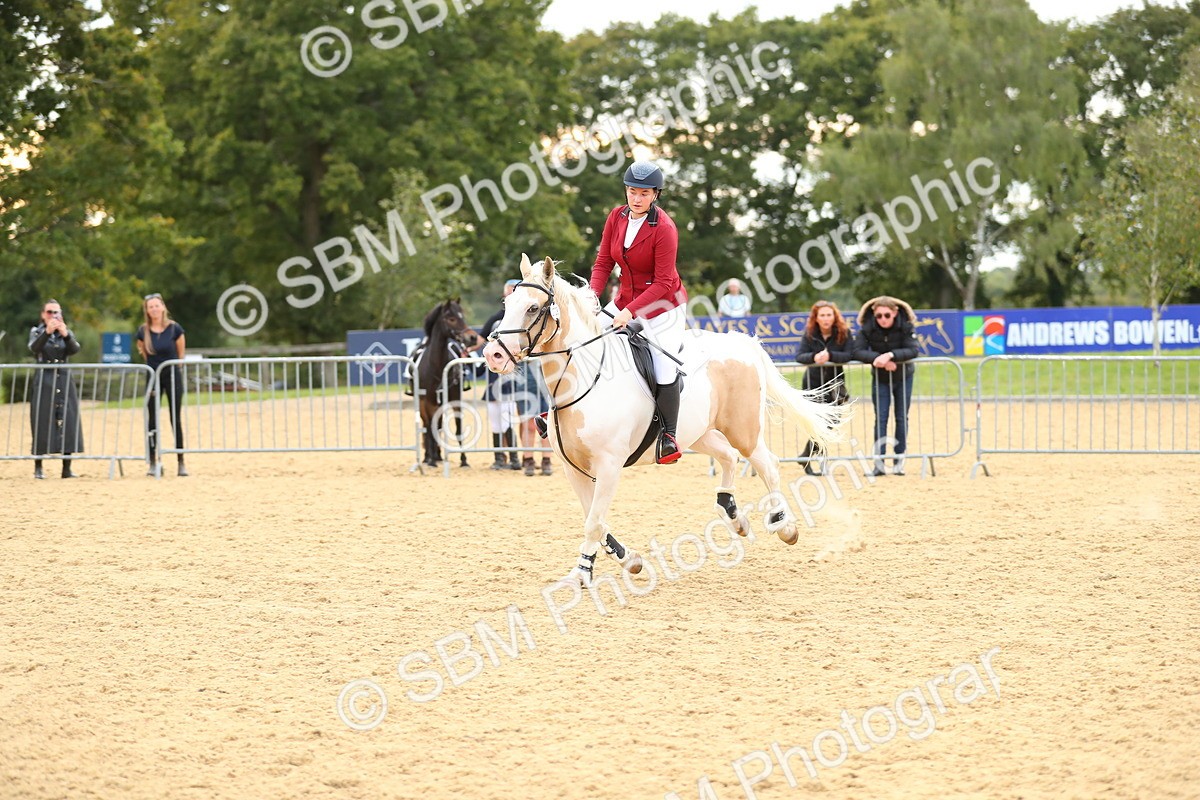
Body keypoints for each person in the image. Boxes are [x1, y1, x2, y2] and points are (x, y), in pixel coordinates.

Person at [588, 159, 689, 464]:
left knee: (662, 364)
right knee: (586, 342)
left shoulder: (665, 229)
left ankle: (669, 436)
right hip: (624, 299)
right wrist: (593, 296)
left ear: (655, 195)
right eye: (632, 191)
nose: (636, 198)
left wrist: (630, 312)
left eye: (644, 193)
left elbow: (663, 282)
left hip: (662, 306)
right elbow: (604, 260)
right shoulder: (616, 217)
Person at [853, 296, 919, 476]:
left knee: (901, 418)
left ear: (895, 313)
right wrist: (877, 359)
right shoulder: (868, 328)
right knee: (880, 419)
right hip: (880, 379)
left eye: (887, 315)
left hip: (903, 377)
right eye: (879, 315)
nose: (883, 319)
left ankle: (899, 462)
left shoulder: (905, 326)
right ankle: (879, 464)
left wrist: (890, 355)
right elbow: (856, 350)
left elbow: (913, 350)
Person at [795, 300, 854, 476]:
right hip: (813, 383)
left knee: (833, 421)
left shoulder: (844, 333)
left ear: (835, 317)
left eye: (829, 315)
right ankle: (811, 458)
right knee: (817, 423)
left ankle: (806, 455)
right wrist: (814, 357)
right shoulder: (810, 334)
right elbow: (799, 356)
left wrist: (831, 356)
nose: (826, 318)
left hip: (835, 383)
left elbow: (850, 354)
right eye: (822, 315)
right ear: (816, 318)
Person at [28, 299, 84, 479]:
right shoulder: (36, 332)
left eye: (57, 312)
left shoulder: (65, 332)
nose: (54, 316)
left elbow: (74, 349)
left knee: (68, 419)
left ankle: (66, 467)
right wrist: (47, 332)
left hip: (64, 379)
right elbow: (34, 348)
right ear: (43, 315)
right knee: (41, 419)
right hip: (44, 380)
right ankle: (38, 466)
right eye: (50, 312)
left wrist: (66, 335)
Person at [136, 293, 188, 477]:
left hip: (172, 375)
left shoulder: (174, 329)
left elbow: (180, 352)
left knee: (176, 418)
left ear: (163, 307)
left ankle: (181, 461)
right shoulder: (144, 331)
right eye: (151, 307)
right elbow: (144, 352)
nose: (154, 309)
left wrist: (175, 367)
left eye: (157, 306)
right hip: (153, 376)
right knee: (152, 419)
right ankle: (153, 461)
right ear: (147, 310)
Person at [479, 279, 522, 470]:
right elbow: (481, 340)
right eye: (508, 293)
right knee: (495, 419)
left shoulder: (521, 321)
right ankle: (499, 458)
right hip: (493, 379)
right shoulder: (496, 319)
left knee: (507, 418)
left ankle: (513, 458)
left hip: (510, 379)